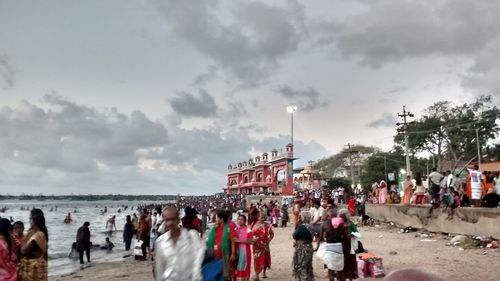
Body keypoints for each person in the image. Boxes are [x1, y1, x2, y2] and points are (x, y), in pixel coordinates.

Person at [154, 207, 204, 281]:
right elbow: (160, 269)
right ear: (164, 221)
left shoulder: (192, 237)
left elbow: (198, 261)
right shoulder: (161, 242)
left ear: (178, 219)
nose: (170, 222)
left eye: (173, 219)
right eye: (167, 220)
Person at [206, 210, 236, 281]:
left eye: (217, 218)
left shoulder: (229, 229)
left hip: (224, 253)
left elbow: (232, 242)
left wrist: (233, 254)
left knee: (224, 270)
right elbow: (210, 240)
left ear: (221, 219)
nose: (216, 219)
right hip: (214, 253)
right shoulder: (215, 228)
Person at [19, 209, 48, 281]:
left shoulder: (38, 234)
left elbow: (24, 251)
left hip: (34, 266)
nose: (29, 220)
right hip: (37, 264)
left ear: (34, 221)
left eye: (30, 218)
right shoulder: (38, 232)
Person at [292, 211, 314, 281]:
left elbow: (294, 235)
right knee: (308, 266)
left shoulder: (302, 227)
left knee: (302, 266)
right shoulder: (311, 226)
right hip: (309, 247)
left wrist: (297, 224)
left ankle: (303, 279)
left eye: (300, 216)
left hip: (302, 249)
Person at [251, 212, 274, 280]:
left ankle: (264, 273)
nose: (263, 219)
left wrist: (268, 241)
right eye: (261, 217)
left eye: (264, 217)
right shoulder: (253, 225)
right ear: (258, 217)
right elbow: (250, 234)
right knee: (256, 259)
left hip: (265, 246)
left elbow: (272, 234)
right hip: (256, 246)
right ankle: (256, 274)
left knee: (265, 259)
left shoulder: (267, 225)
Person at [338, 210, 359, 281]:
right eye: (340, 216)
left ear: (346, 216)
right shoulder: (339, 223)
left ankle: (350, 274)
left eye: (342, 217)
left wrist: (351, 235)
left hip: (349, 243)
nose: (341, 218)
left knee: (349, 259)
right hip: (342, 244)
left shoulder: (350, 223)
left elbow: (357, 233)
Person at [234, 215, 253, 281]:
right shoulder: (235, 229)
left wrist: (238, 240)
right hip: (237, 251)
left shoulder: (248, 230)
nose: (239, 221)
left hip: (245, 251)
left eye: (241, 219)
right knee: (238, 265)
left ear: (245, 221)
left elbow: (250, 241)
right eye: (238, 219)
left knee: (245, 266)